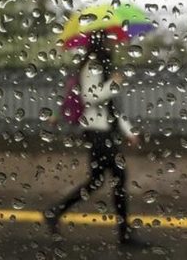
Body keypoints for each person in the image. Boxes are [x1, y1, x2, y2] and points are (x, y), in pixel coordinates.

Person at [45, 32, 143, 246]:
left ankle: (55, 211)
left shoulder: (103, 67)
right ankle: (125, 234)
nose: (112, 44)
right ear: (100, 43)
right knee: (118, 176)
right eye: (108, 41)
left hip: (103, 131)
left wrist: (129, 131)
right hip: (96, 132)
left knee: (97, 181)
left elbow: (111, 109)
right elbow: (89, 97)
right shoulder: (92, 66)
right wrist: (113, 84)